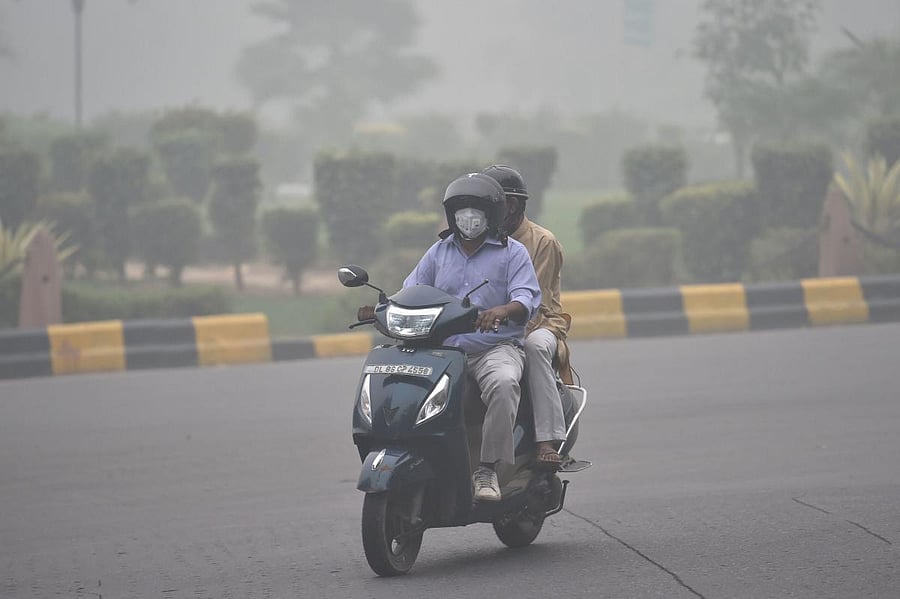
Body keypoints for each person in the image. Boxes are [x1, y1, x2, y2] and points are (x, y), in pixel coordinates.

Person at [403, 173, 541, 502]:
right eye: (461, 209)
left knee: (506, 383)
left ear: (492, 214)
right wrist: (384, 308)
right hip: (442, 351)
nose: (468, 217)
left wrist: (503, 310)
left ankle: (486, 469)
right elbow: (411, 290)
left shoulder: (513, 253)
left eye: (476, 209)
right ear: (451, 214)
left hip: (493, 348)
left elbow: (527, 297)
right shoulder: (438, 252)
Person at [482, 165, 572, 467]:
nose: (497, 208)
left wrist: (507, 329)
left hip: (541, 323)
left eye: (503, 201)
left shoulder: (542, 241)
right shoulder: (481, 239)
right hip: (492, 326)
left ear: (516, 204)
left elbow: (535, 300)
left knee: (533, 346)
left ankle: (547, 440)